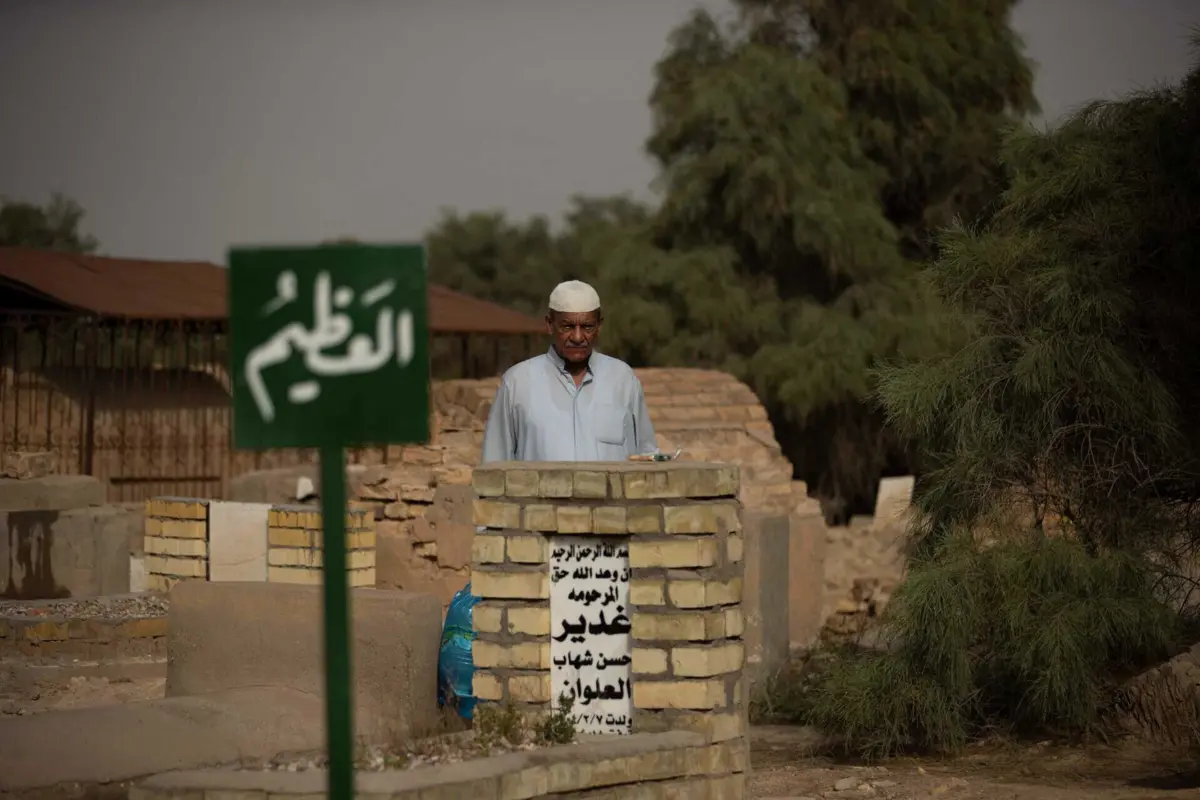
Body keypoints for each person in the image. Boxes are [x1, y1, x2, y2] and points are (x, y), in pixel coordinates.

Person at [480, 279, 658, 463]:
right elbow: (494, 464)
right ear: (550, 324)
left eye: (587, 327)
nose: (578, 337)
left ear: (599, 326)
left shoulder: (623, 379)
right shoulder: (517, 382)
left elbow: (647, 456)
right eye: (568, 327)